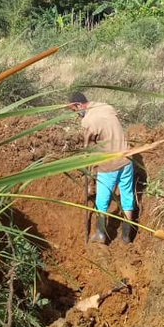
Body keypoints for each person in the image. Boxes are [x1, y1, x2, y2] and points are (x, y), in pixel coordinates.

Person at [69, 92, 136, 244]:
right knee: (127, 197)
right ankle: (126, 237)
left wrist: (89, 173)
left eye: (75, 111)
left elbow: (88, 150)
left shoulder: (88, 121)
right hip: (127, 159)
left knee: (102, 202)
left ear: (79, 105)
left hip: (109, 165)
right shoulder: (106, 106)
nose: (76, 115)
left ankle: (100, 234)